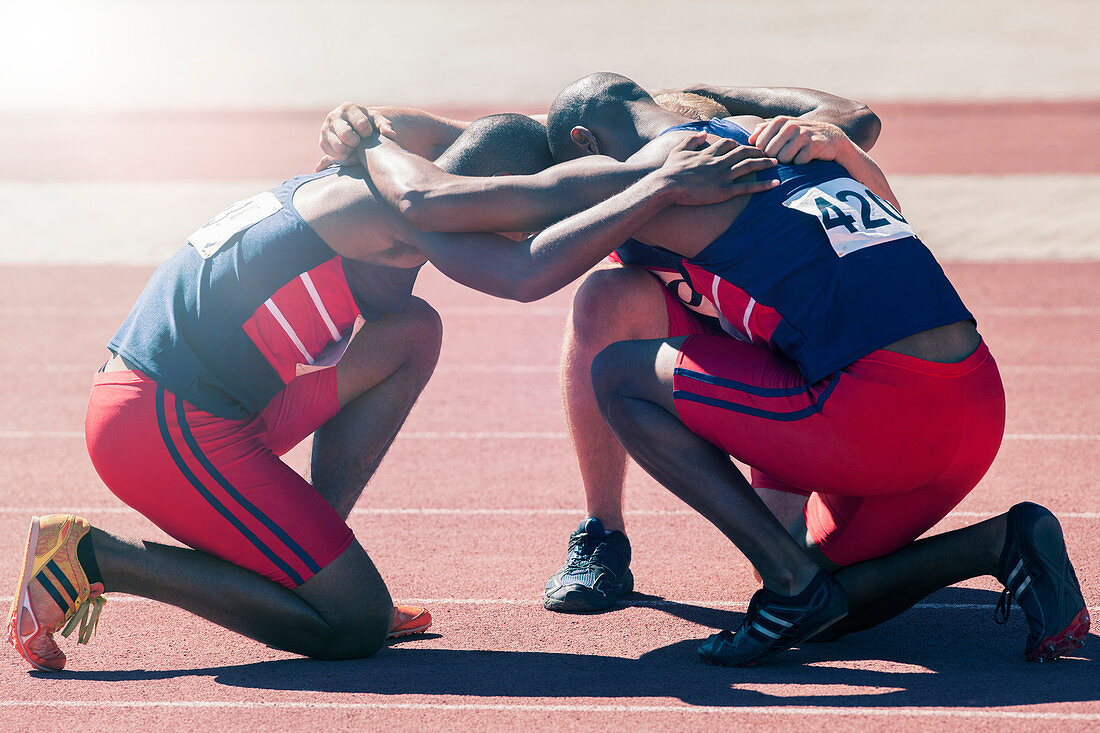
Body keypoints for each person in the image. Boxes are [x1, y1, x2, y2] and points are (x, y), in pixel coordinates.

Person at [8, 109, 776, 671]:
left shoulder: (408, 172)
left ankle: (309, 553)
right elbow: (524, 273)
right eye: (501, 221)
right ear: (480, 202)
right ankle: (96, 558)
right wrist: (659, 181)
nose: (495, 239)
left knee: (410, 329)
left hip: (208, 409)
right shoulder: (406, 208)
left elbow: (511, 173)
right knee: (350, 626)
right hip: (160, 423)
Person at [538, 72, 1088, 666]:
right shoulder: (812, 159)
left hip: (875, 408)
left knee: (621, 374)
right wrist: (839, 146)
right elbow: (862, 142)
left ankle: (760, 576)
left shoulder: (677, 188)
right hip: (970, 404)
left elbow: (521, 268)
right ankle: (1002, 542)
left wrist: (419, 193)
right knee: (821, 597)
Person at [316, 84, 883, 613]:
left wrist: (776, 116)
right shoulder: (587, 137)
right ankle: (601, 533)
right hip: (712, 316)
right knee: (605, 295)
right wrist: (360, 123)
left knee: (804, 565)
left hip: (790, 345)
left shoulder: (729, 145)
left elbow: (856, 117)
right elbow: (443, 132)